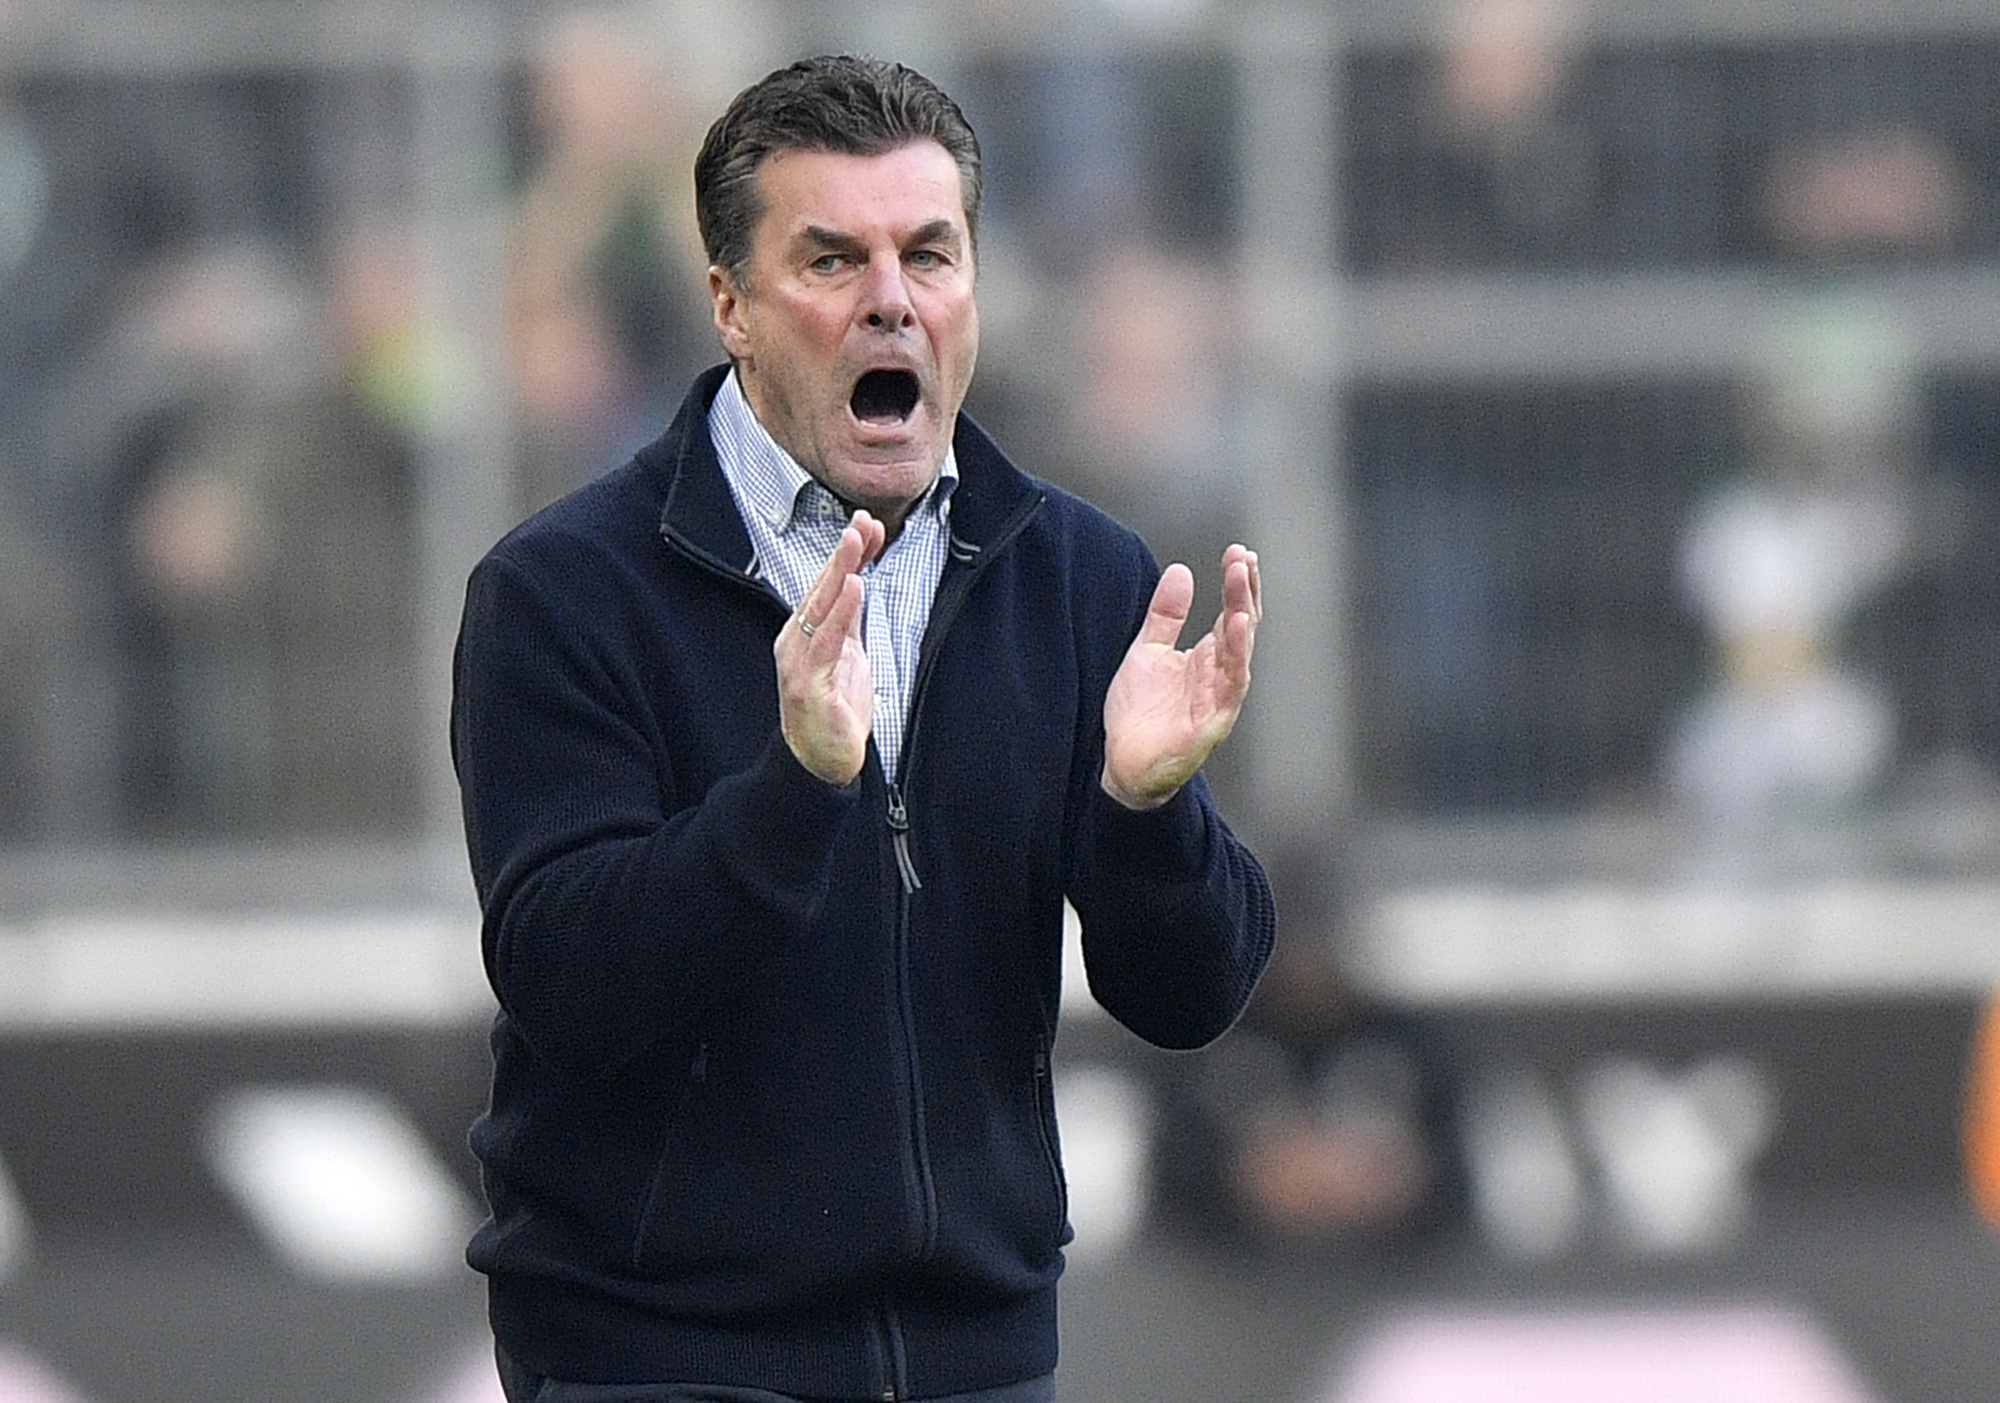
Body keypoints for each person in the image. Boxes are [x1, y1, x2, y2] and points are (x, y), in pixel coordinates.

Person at [451, 56, 1275, 1403]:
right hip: (657, 1358)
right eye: (831, 259)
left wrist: (1148, 812)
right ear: (731, 303)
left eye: (928, 254)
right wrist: (794, 790)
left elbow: (1190, 999)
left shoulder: (1080, 580)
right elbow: (567, 983)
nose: (890, 297)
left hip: (978, 1358)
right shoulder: (564, 594)